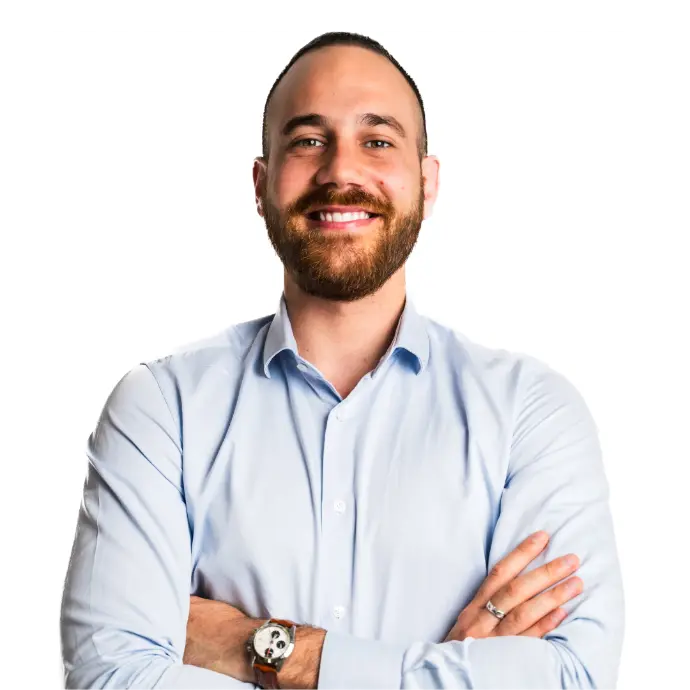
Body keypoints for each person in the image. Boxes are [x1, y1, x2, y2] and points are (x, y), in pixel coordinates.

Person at [60, 30, 625, 689]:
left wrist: (265, 649)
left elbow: (573, 677)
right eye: (308, 140)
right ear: (261, 184)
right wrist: (450, 672)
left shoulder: (531, 413)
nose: (340, 172)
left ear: (427, 182)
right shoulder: (162, 408)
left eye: (377, 140)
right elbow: (110, 677)